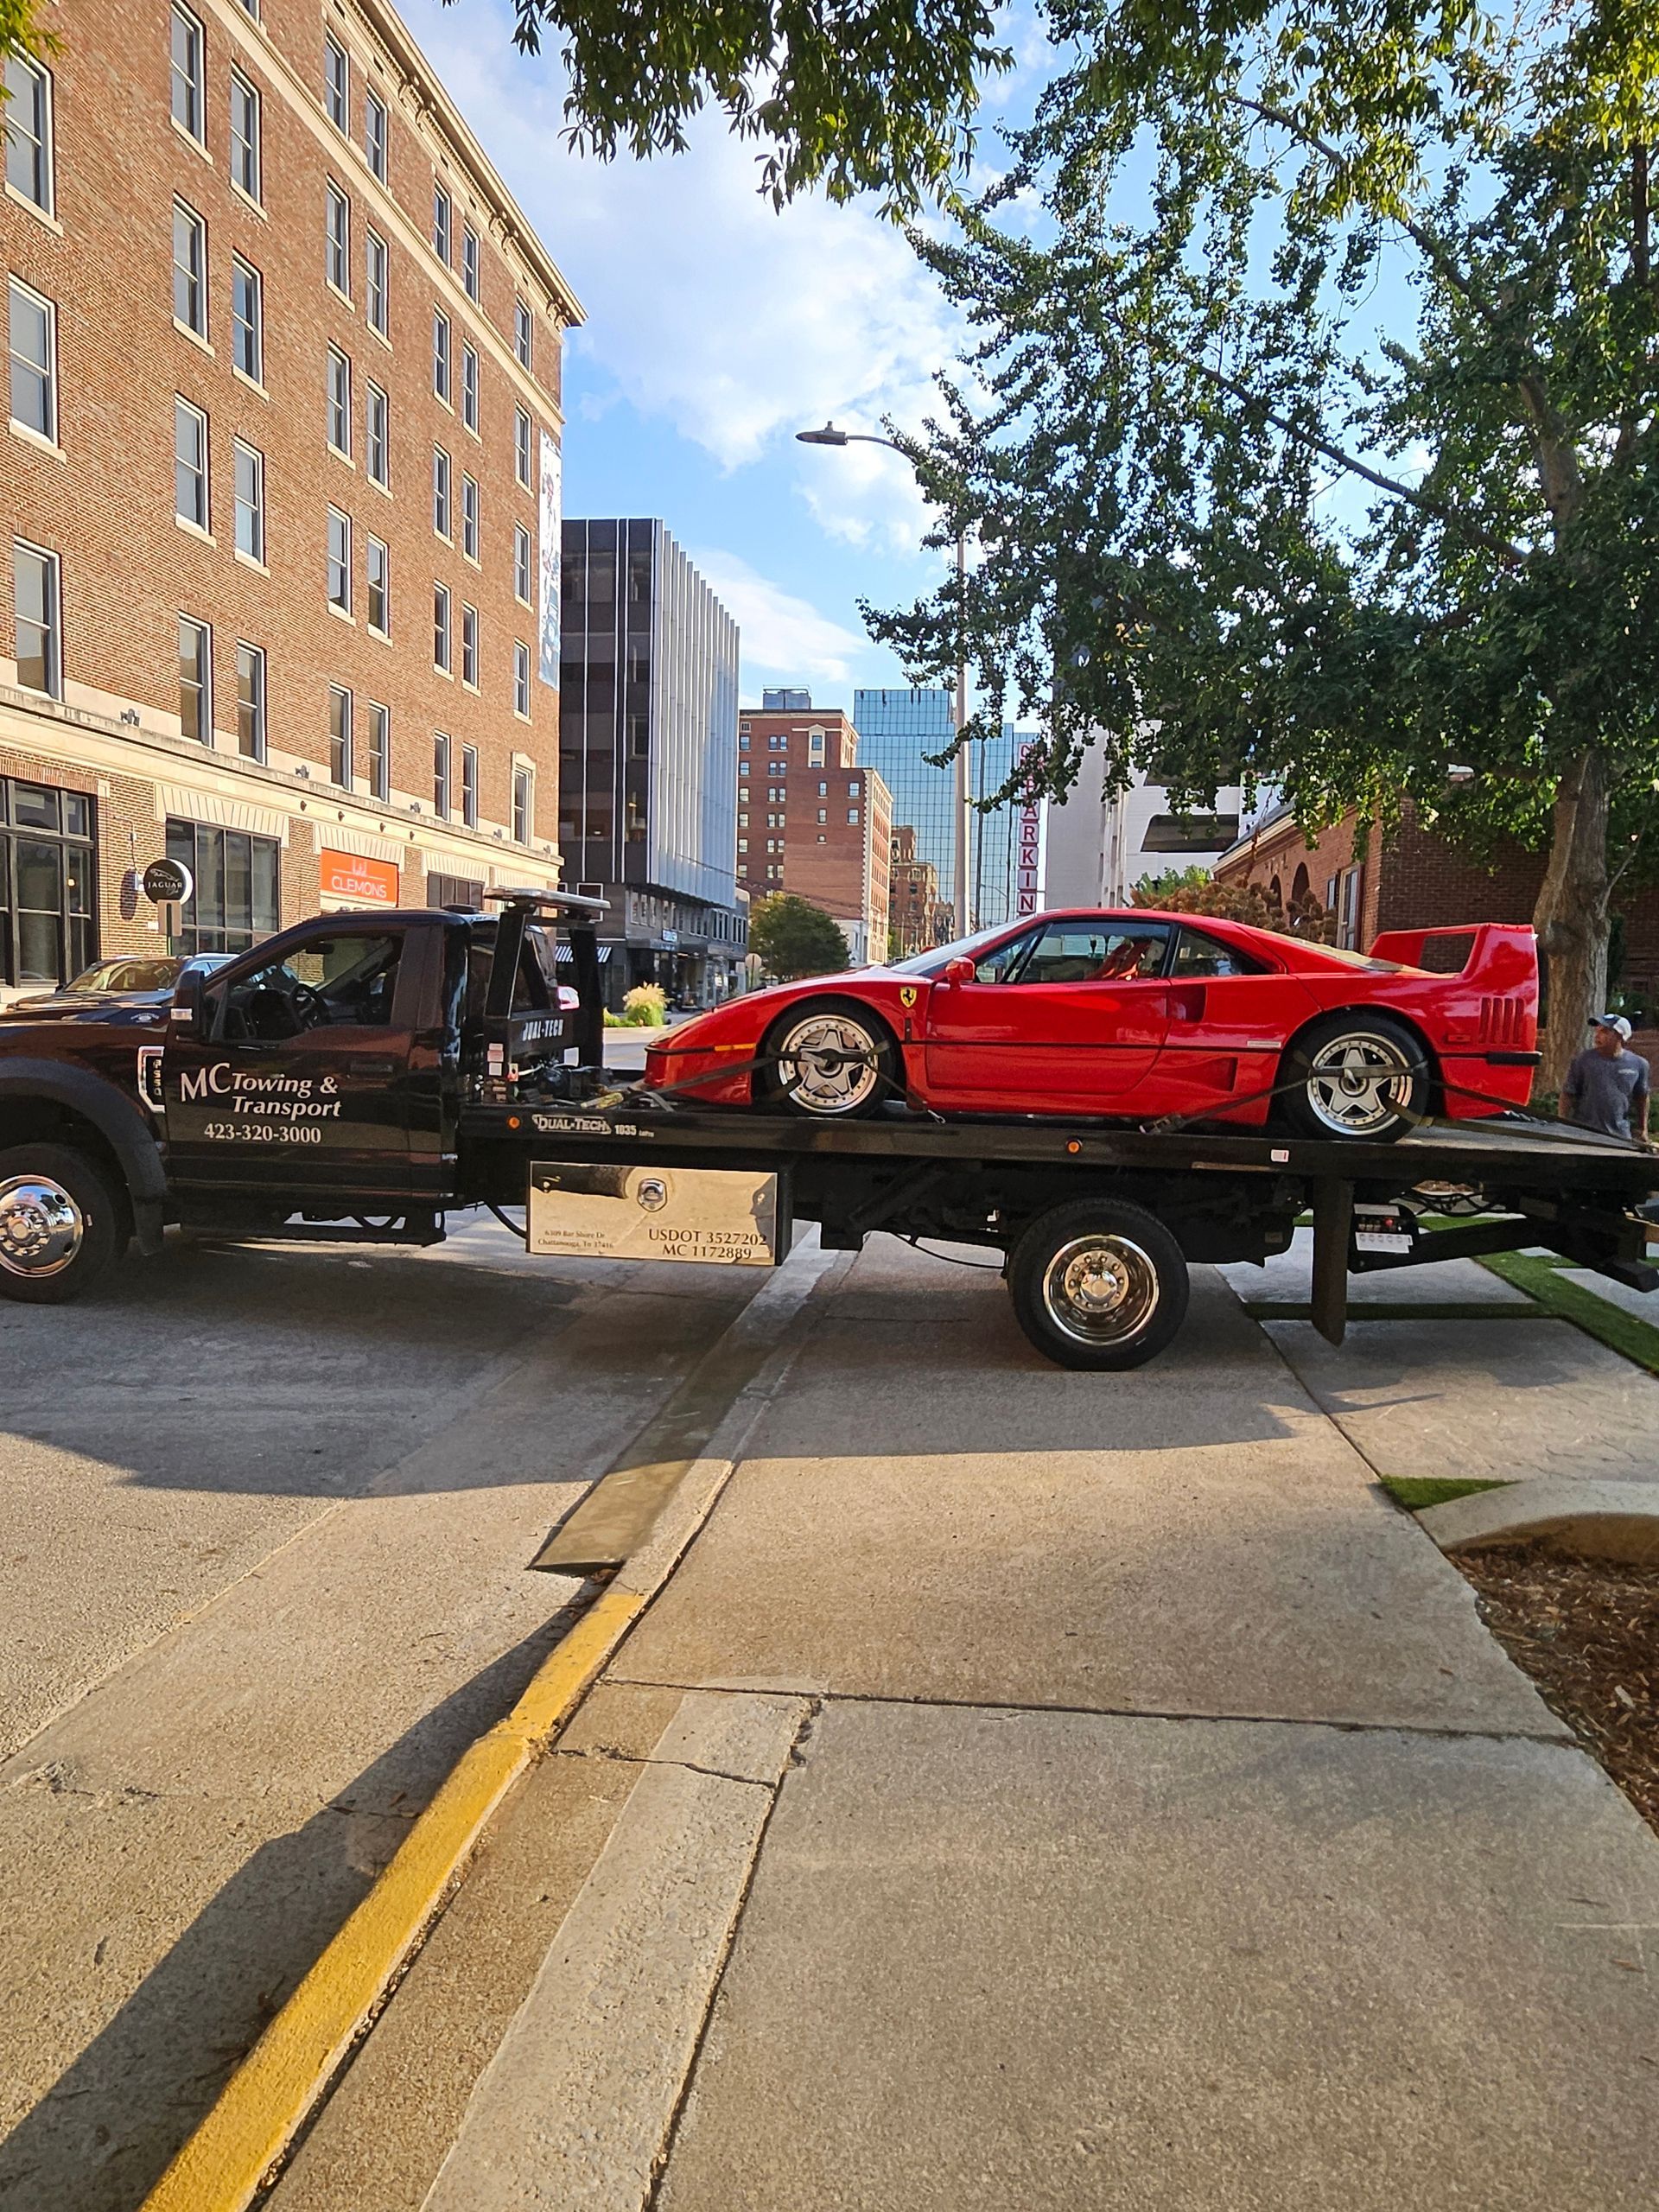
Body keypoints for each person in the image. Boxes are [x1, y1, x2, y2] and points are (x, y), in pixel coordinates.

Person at [1560, 1014, 1651, 1145]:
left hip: (1620, 1135)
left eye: (1604, 1032)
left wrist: (1643, 1129)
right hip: (1584, 1133)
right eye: (1597, 1031)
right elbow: (1568, 1093)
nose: (1597, 1036)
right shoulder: (1583, 1061)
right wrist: (1563, 1123)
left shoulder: (1639, 1064)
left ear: (1620, 1036)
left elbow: (1642, 1097)